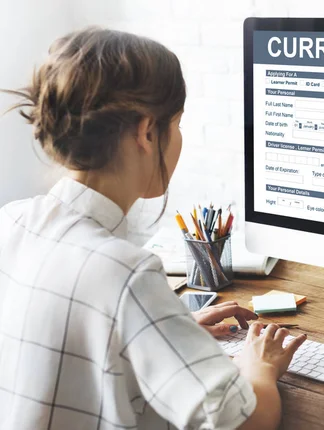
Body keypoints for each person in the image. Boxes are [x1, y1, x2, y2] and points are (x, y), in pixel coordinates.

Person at [0, 27, 306, 430]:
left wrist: (164, 330)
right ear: (147, 132)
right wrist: (259, 367)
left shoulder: (11, 221)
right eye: (176, 124)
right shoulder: (126, 272)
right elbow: (246, 422)